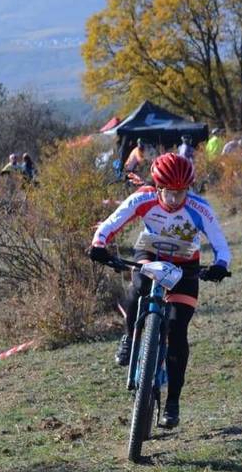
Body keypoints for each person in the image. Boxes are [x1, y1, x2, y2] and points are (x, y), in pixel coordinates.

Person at [88, 153, 231, 429]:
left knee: (178, 330)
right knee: (140, 284)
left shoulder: (200, 208)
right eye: (170, 193)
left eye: (182, 193)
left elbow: (221, 245)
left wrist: (220, 265)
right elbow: (111, 223)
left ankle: (173, 403)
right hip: (151, 254)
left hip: (186, 265)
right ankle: (131, 337)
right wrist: (99, 244)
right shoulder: (143, 198)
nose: (177, 200)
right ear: (158, 187)